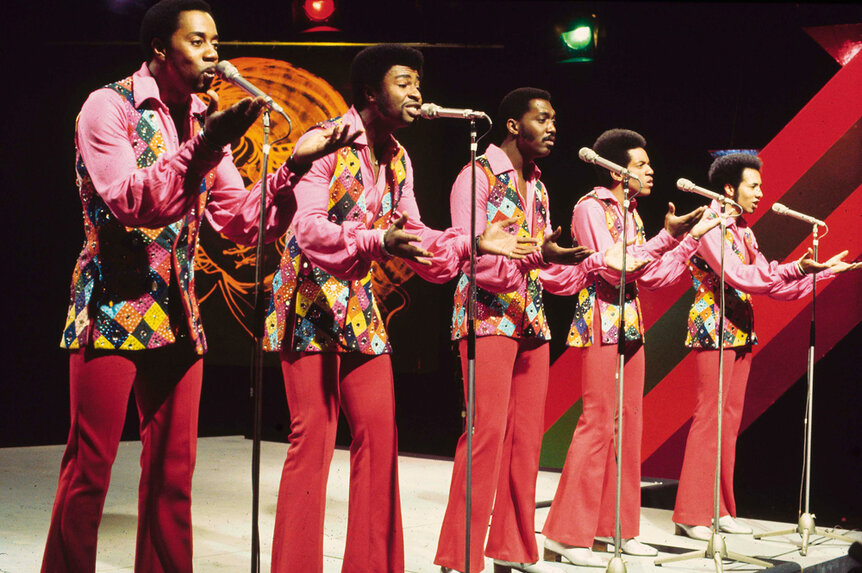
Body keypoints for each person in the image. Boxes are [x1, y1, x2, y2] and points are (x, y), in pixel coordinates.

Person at [42, 1, 355, 570]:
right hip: (112, 303)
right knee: (90, 469)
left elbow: (238, 221)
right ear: (160, 47)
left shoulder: (203, 117)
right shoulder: (107, 107)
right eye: (197, 40)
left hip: (178, 312)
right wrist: (205, 145)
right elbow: (133, 202)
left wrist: (293, 171)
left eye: (216, 40)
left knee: (174, 473)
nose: (213, 51)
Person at [266, 45, 537, 573]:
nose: (417, 93)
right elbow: (310, 231)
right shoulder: (324, 141)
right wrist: (378, 240)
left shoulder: (398, 156)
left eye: (419, 83)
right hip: (308, 300)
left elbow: (416, 237)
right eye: (404, 82)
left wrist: (472, 242)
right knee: (314, 438)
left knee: (381, 433)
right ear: (371, 91)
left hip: (359, 306)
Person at [434, 88, 646, 573]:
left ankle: (513, 548)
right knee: (485, 435)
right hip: (484, 319)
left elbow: (546, 271)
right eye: (543, 119)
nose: (553, 127)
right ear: (513, 125)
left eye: (554, 119)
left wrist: (590, 263)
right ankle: (459, 555)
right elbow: (478, 260)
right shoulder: (477, 176)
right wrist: (539, 257)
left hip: (531, 321)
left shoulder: (541, 188)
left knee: (527, 439)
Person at [541, 129, 719, 567]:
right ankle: (566, 533)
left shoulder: (633, 213)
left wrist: (690, 239)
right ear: (617, 171)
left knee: (628, 428)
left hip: (631, 324)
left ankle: (615, 528)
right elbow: (614, 266)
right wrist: (665, 237)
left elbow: (652, 276)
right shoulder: (590, 207)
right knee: (598, 424)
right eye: (641, 164)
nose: (650, 170)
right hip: (600, 322)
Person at [672, 153, 860, 540]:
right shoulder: (710, 224)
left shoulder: (743, 231)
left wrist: (819, 275)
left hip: (739, 330)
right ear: (729, 188)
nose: (760, 193)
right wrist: (795, 268)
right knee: (711, 418)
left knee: (729, 423)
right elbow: (740, 276)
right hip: (713, 328)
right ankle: (690, 512)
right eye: (753, 185)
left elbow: (771, 284)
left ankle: (719, 509)